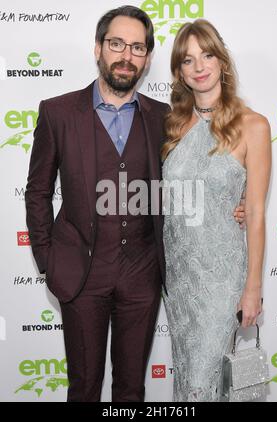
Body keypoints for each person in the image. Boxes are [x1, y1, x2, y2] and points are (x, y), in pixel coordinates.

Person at [25, 6, 245, 402]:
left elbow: (195, 177)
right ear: (98, 49)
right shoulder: (57, 113)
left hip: (143, 275)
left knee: (131, 389)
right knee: (84, 387)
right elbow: (37, 191)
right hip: (81, 275)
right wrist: (48, 259)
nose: (127, 56)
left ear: (147, 58)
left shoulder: (165, 118)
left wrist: (235, 203)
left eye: (138, 48)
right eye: (117, 44)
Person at [162, 19, 271, 402]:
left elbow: (255, 212)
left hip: (222, 281)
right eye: (188, 60)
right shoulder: (172, 126)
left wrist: (252, 288)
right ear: (180, 72)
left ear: (221, 60)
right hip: (177, 281)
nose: (200, 66)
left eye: (207, 54)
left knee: (201, 384)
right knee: (190, 377)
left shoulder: (253, 126)